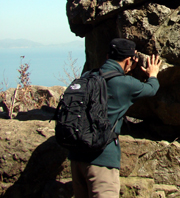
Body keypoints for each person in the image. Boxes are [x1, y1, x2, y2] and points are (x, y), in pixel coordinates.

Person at [68, 38, 161, 198]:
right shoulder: (124, 83)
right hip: (101, 160)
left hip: (76, 158)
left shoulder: (87, 76)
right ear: (128, 61)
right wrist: (153, 74)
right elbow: (152, 89)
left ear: (107, 57)